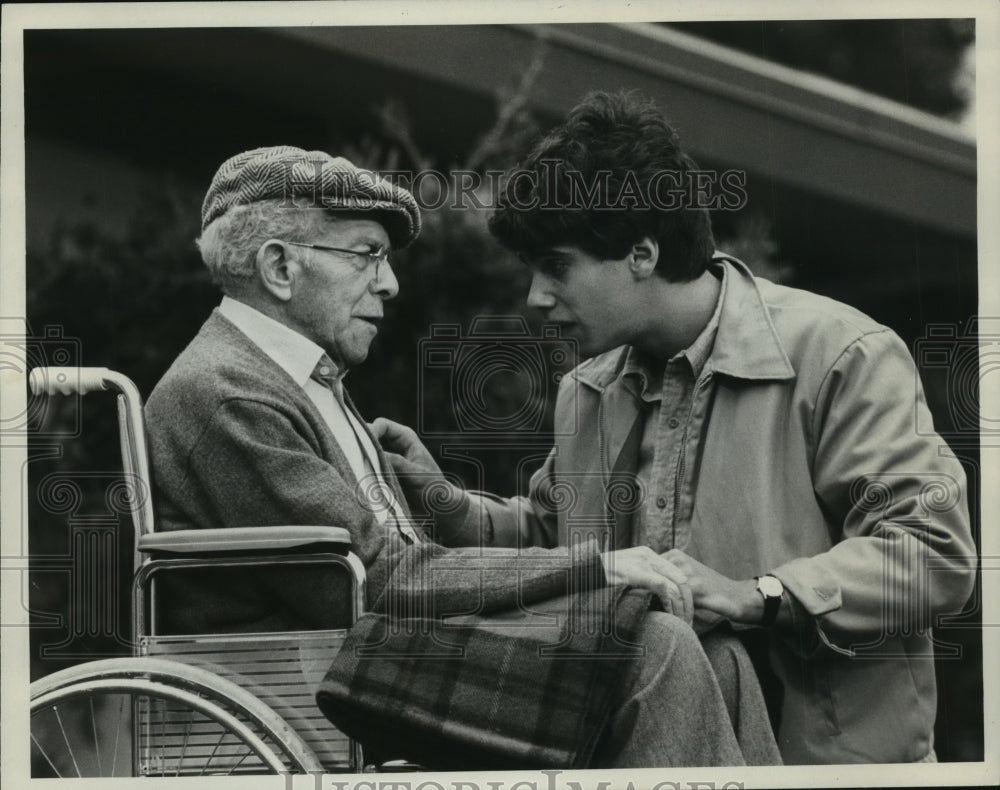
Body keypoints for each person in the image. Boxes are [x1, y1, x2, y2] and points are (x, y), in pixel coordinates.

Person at [376, 92, 978, 764]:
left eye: (556, 267)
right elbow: (555, 536)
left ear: (641, 253)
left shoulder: (844, 354)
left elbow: (931, 554)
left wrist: (759, 596)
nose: (536, 297)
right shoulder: (587, 391)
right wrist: (445, 502)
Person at [143, 145, 781, 769]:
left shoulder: (296, 379)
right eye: (367, 254)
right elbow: (380, 580)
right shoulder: (228, 393)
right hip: (320, 680)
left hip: (369, 656)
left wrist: (438, 497)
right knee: (655, 644)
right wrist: (596, 570)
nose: (389, 283)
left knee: (712, 645)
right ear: (280, 267)